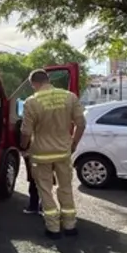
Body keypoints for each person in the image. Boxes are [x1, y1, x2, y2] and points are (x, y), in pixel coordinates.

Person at [20, 69, 86, 239]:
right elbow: (81, 123)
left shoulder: (31, 101)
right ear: (48, 79)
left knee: (45, 190)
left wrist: (23, 147)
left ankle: (53, 228)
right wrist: (73, 143)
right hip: (63, 152)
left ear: (33, 83)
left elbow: (26, 131)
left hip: (41, 153)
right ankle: (70, 225)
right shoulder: (69, 97)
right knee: (65, 188)